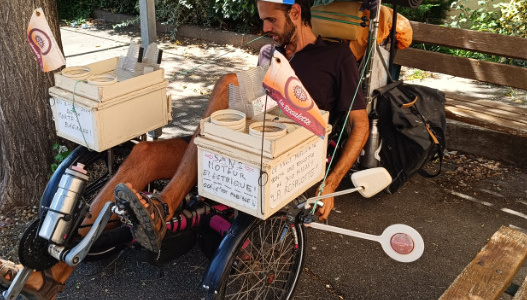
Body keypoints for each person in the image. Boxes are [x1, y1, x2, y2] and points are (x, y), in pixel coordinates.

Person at [0, 0, 369, 298]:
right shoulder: (272, 55)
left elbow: (360, 128)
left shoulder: (337, 58)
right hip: (241, 137)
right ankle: (52, 274)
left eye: (270, 20)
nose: (264, 29)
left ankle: (163, 206)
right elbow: (250, 103)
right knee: (144, 154)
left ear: (295, 12)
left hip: (286, 153)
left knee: (226, 81)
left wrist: (332, 184)